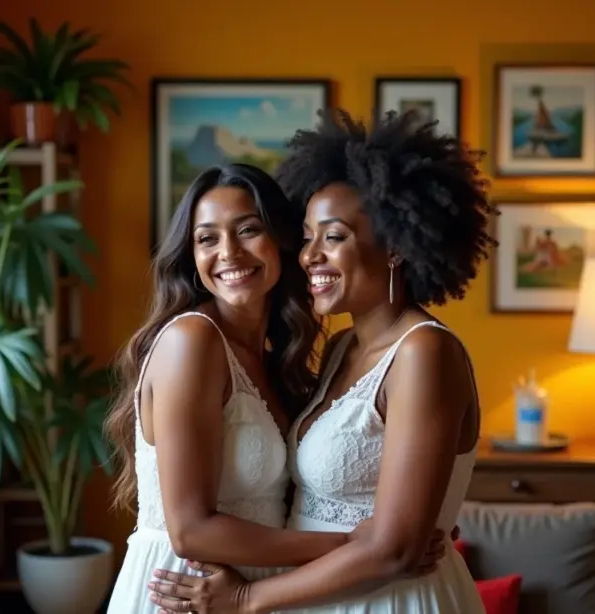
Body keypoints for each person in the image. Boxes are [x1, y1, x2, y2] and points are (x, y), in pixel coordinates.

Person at [147, 109, 494, 613]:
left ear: (395, 245)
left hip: (395, 600)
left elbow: (397, 548)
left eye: (332, 237)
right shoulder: (340, 350)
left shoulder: (425, 352)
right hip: (319, 595)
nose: (309, 256)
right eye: (307, 237)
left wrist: (245, 598)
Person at [104, 163, 448, 613]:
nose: (228, 252)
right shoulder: (193, 340)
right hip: (189, 592)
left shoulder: (276, 359)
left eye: (247, 230)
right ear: (191, 256)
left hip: (253, 593)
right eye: (207, 238)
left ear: (281, 242)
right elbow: (190, 531)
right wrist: (360, 547)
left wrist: (411, 522)